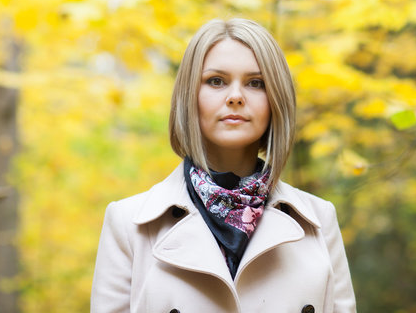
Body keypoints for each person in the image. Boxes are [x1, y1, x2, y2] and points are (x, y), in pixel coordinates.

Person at [91, 18, 356, 313]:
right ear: (190, 96)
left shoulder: (318, 221)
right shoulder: (129, 224)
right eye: (216, 81)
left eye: (256, 83)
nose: (235, 97)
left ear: (275, 100)